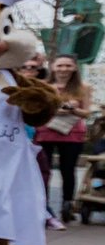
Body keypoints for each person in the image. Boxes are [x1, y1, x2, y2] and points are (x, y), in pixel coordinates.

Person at [38, 54, 91, 226]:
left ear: (75, 67)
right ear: (52, 67)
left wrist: (73, 110)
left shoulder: (83, 87)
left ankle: (67, 205)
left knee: (67, 171)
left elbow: (86, 112)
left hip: (72, 132)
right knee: (44, 171)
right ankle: (43, 207)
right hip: (46, 130)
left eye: (68, 66)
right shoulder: (43, 86)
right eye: (60, 65)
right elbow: (37, 109)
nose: (64, 69)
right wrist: (54, 109)